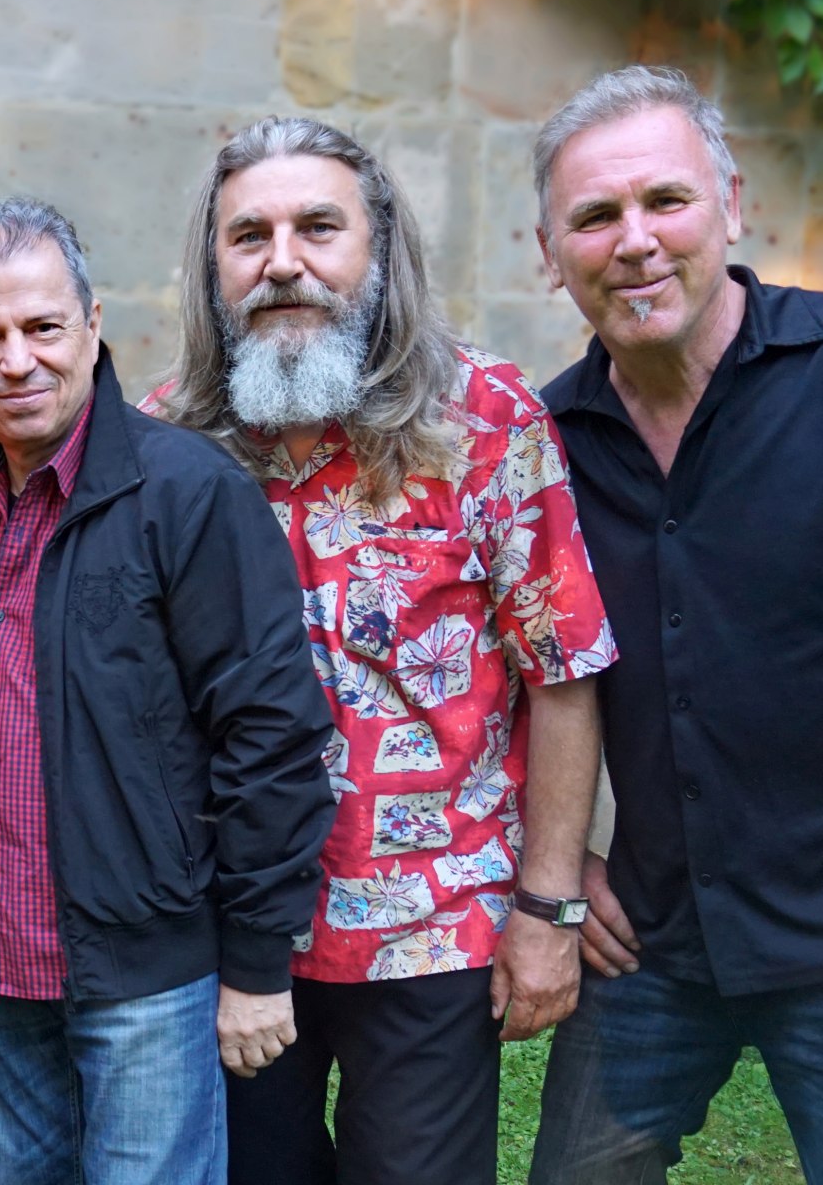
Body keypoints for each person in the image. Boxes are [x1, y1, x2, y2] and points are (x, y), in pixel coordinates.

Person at [153, 116, 614, 1185]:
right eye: (248, 235)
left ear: (381, 246)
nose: (283, 262)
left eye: (319, 227)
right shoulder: (168, 441)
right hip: (232, 928)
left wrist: (548, 907)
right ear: (213, 266)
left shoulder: (487, 421)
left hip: (432, 926)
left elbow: (563, 671)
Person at [0, 196, 337, 1185]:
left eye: (43, 327)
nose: (16, 361)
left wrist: (257, 963)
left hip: (146, 976)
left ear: (93, 323)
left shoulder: (187, 491)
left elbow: (274, 733)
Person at [528, 66, 823, 1184]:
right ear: (550, 252)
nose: (636, 241)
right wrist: (556, 858)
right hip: (651, 936)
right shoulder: (538, 449)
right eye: (596, 216)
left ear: (731, 205)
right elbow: (477, 680)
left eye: (666, 200)